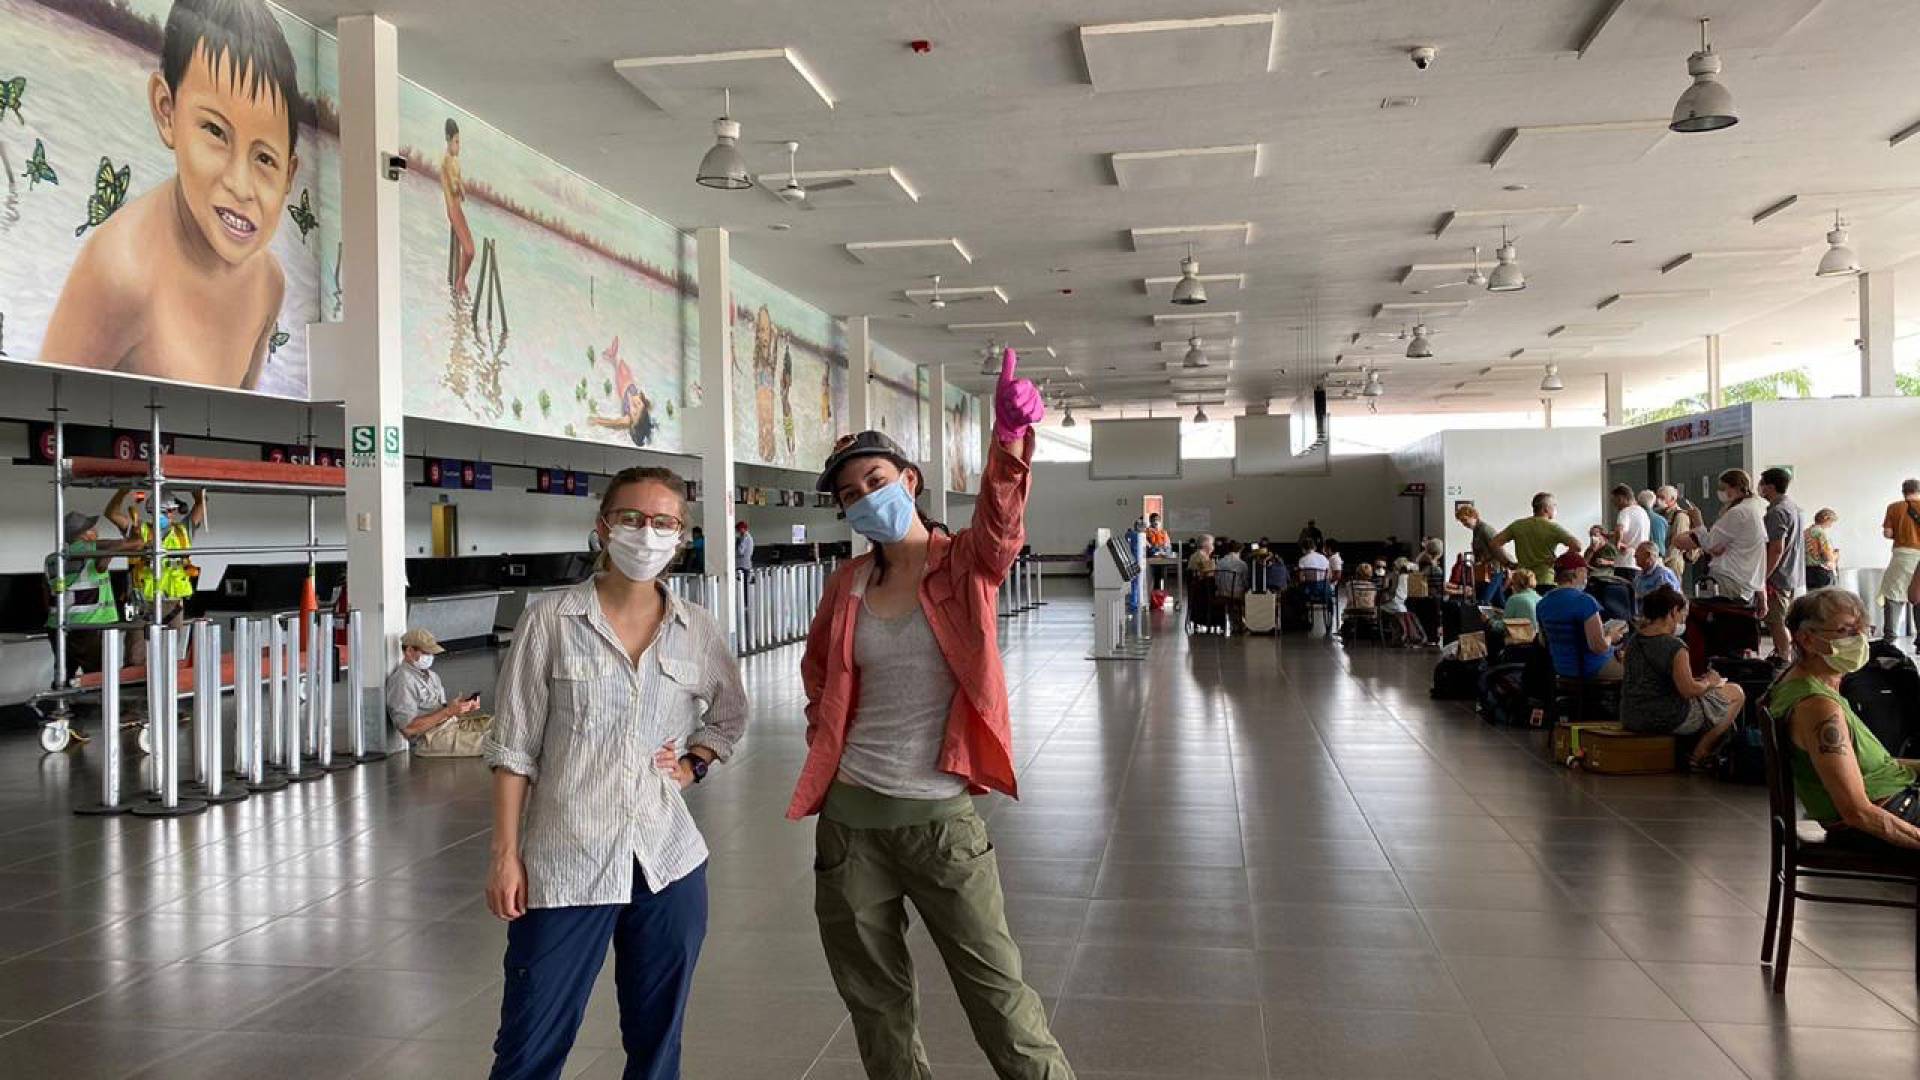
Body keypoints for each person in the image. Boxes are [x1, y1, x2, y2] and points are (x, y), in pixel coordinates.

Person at [791, 349, 1077, 1080]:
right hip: (850, 829)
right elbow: (820, 668)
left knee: (1000, 1002)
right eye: (851, 494)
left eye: (876, 482)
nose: (864, 499)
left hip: (941, 826)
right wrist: (822, 725)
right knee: (878, 1010)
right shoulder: (848, 583)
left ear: (908, 482)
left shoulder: (965, 565)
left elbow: (1002, 523)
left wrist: (1008, 442)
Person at [484, 465, 748, 1080]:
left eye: (664, 523)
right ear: (603, 527)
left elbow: (729, 717)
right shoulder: (550, 620)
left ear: (681, 538)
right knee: (528, 1048)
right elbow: (514, 745)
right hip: (565, 862)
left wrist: (693, 765)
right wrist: (504, 854)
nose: (646, 533)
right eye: (632, 518)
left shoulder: (698, 630)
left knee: (658, 1049)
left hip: (668, 864)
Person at [42, 0, 300, 391]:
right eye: (215, 132)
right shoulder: (120, 271)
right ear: (167, 112)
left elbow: (239, 427)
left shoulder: (267, 283)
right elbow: (39, 415)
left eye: (265, 158)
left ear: (288, 177)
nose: (240, 184)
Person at [1771, 590, 1920, 854]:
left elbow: (1869, 766)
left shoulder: (1809, 686)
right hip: (1888, 814)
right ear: (1807, 639)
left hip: (1895, 799)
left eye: (1862, 630)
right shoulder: (1818, 707)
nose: (1860, 640)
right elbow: (1857, 813)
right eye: (1846, 631)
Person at [1620, 586, 1743, 767]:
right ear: (1673, 611)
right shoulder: (1675, 647)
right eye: (1683, 614)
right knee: (1736, 693)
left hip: (1631, 715)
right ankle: (1700, 752)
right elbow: (1688, 691)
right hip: (1667, 717)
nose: (1684, 619)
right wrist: (1710, 681)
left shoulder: (1634, 641)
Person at [43, 511, 135, 680]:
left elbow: (47, 596)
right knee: (97, 676)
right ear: (84, 535)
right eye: (93, 528)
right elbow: (136, 544)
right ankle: (97, 706)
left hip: (56, 626)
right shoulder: (94, 548)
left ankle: (62, 705)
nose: (97, 531)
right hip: (89, 625)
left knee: (63, 673)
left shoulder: (52, 559)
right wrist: (133, 528)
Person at [106, 487, 204, 633]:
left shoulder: (182, 532)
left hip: (173, 604)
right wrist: (122, 491)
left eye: (171, 511)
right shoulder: (139, 531)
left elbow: (200, 506)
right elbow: (111, 514)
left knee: (171, 650)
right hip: (143, 602)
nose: (169, 515)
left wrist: (196, 492)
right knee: (137, 652)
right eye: (164, 512)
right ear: (152, 512)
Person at [1674, 469, 1769, 609]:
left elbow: (1710, 544)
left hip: (1729, 581)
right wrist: (1762, 593)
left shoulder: (1737, 513)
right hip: (1747, 583)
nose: (1720, 492)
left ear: (1735, 488)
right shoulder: (1754, 509)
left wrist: (1698, 521)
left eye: (1723, 488)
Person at [384, 628, 481, 753]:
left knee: (498, 727)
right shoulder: (402, 681)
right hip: (430, 738)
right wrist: (448, 711)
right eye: (426, 653)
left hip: (450, 725)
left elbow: (442, 710)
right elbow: (408, 728)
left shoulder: (432, 676)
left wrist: (461, 708)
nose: (430, 657)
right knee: (490, 742)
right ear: (409, 651)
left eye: (432, 653)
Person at [1536, 551, 1625, 681]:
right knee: (1636, 674)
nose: (1587, 576)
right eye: (1585, 572)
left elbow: (1543, 641)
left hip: (1561, 669)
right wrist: (1611, 636)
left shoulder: (1543, 603)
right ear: (1577, 572)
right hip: (1591, 668)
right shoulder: (1585, 601)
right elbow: (1598, 647)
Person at [1760, 467, 1807, 662]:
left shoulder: (1777, 512)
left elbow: (1776, 548)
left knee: (1776, 622)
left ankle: (1783, 658)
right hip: (1793, 573)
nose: (1759, 488)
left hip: (1778, 576)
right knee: (1782, 620)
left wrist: (1763, 575)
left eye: (1762, 484)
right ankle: (1786, 655)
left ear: (1770, 486)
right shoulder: (1794, 508)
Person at [1492, 493, 1580, 587]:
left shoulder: (1518, 525)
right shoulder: (1552, 527)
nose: (1555, 509)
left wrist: (1508, 563)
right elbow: (1577, 546)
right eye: (1554, 505)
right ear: (1546, 508)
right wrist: (1558, 560)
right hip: (1545, 580)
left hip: (1523, 581)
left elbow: (1494, 544)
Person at [1877, 478, 1920, 642]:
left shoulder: (1894, 507)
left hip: (1902, 556)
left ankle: (1890, 637)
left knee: (1893, 594)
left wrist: (1901, 533)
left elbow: (1887, 533)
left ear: (1904, 491)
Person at [443, 117, 476, 295]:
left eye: (459, 142)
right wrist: (458, 186)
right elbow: (454, 186)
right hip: (453, 210)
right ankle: (460, 280)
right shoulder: (447, 161)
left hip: (458, 208)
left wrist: (461, 187)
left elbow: (459, 186)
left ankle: (461, 279)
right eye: (456, 141)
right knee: (469, 251)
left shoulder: (455, 162)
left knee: (472, 250)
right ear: (448, 140)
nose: (458, 146)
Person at [1454, 503, 1510, 605]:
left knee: (1484, 601)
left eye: (1465, 520)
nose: (1464, 524)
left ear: (1473, 516)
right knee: (1498, 602)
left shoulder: (1485, 529)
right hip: (1488, 571)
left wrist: (1508, 565)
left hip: (1494, 570)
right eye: (1462, 521)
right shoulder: (1477, 531)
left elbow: (1498, 548)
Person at [1380, 558, 1427, 647]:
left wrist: (1386, 580)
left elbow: (1390, 592)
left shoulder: (1397, 576)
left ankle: (1400, 636)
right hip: (1404, 604)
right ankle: (1408, 636)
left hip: (1396, 604)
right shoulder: (1412, 576)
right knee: (1403, 613)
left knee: (1382, 607)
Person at [1630, 541, 1682, 615]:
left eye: (1638, 553)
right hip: (1641, 618)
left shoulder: (1663, 574)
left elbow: (1667, 603)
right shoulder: (1639, 575)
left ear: (1648, 555)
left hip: (1659, 619)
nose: (1634, 556)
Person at [1215, 541, 1250, 630]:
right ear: (1240, 551)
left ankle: (1234, 621)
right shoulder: (1242, 564)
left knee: (1232, 599)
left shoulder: (1220, 562)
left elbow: (1216, 580)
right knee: (1251, 596)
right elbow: (1245, 582)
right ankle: (1244, 622)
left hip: (1221, 594)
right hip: (1236, 595)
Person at [1611, 483, 1652, 555]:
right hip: (1640, 558)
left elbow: (1619, 529)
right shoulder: (1643, 512)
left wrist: (1617, 544)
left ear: (1621, 499)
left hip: (1626, 559)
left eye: (1615, 501)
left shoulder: (1625, 512)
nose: (1615, 505)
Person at [1805, 508, 1839, 590]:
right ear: (1826, 518)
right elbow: (1827, 556)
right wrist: (1836, 555)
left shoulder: (1805, 532)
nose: (1831, 525)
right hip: (1821, 572)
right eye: (1831, 521)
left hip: (1807, 571)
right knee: (1826, 599)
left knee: (1812, 598)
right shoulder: (1820, 533)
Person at [1640, 489, 1669, 555]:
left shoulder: (1637, 517)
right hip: (1657, 555)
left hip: (1641, 556)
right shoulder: (1661, 520)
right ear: (1653, 502)